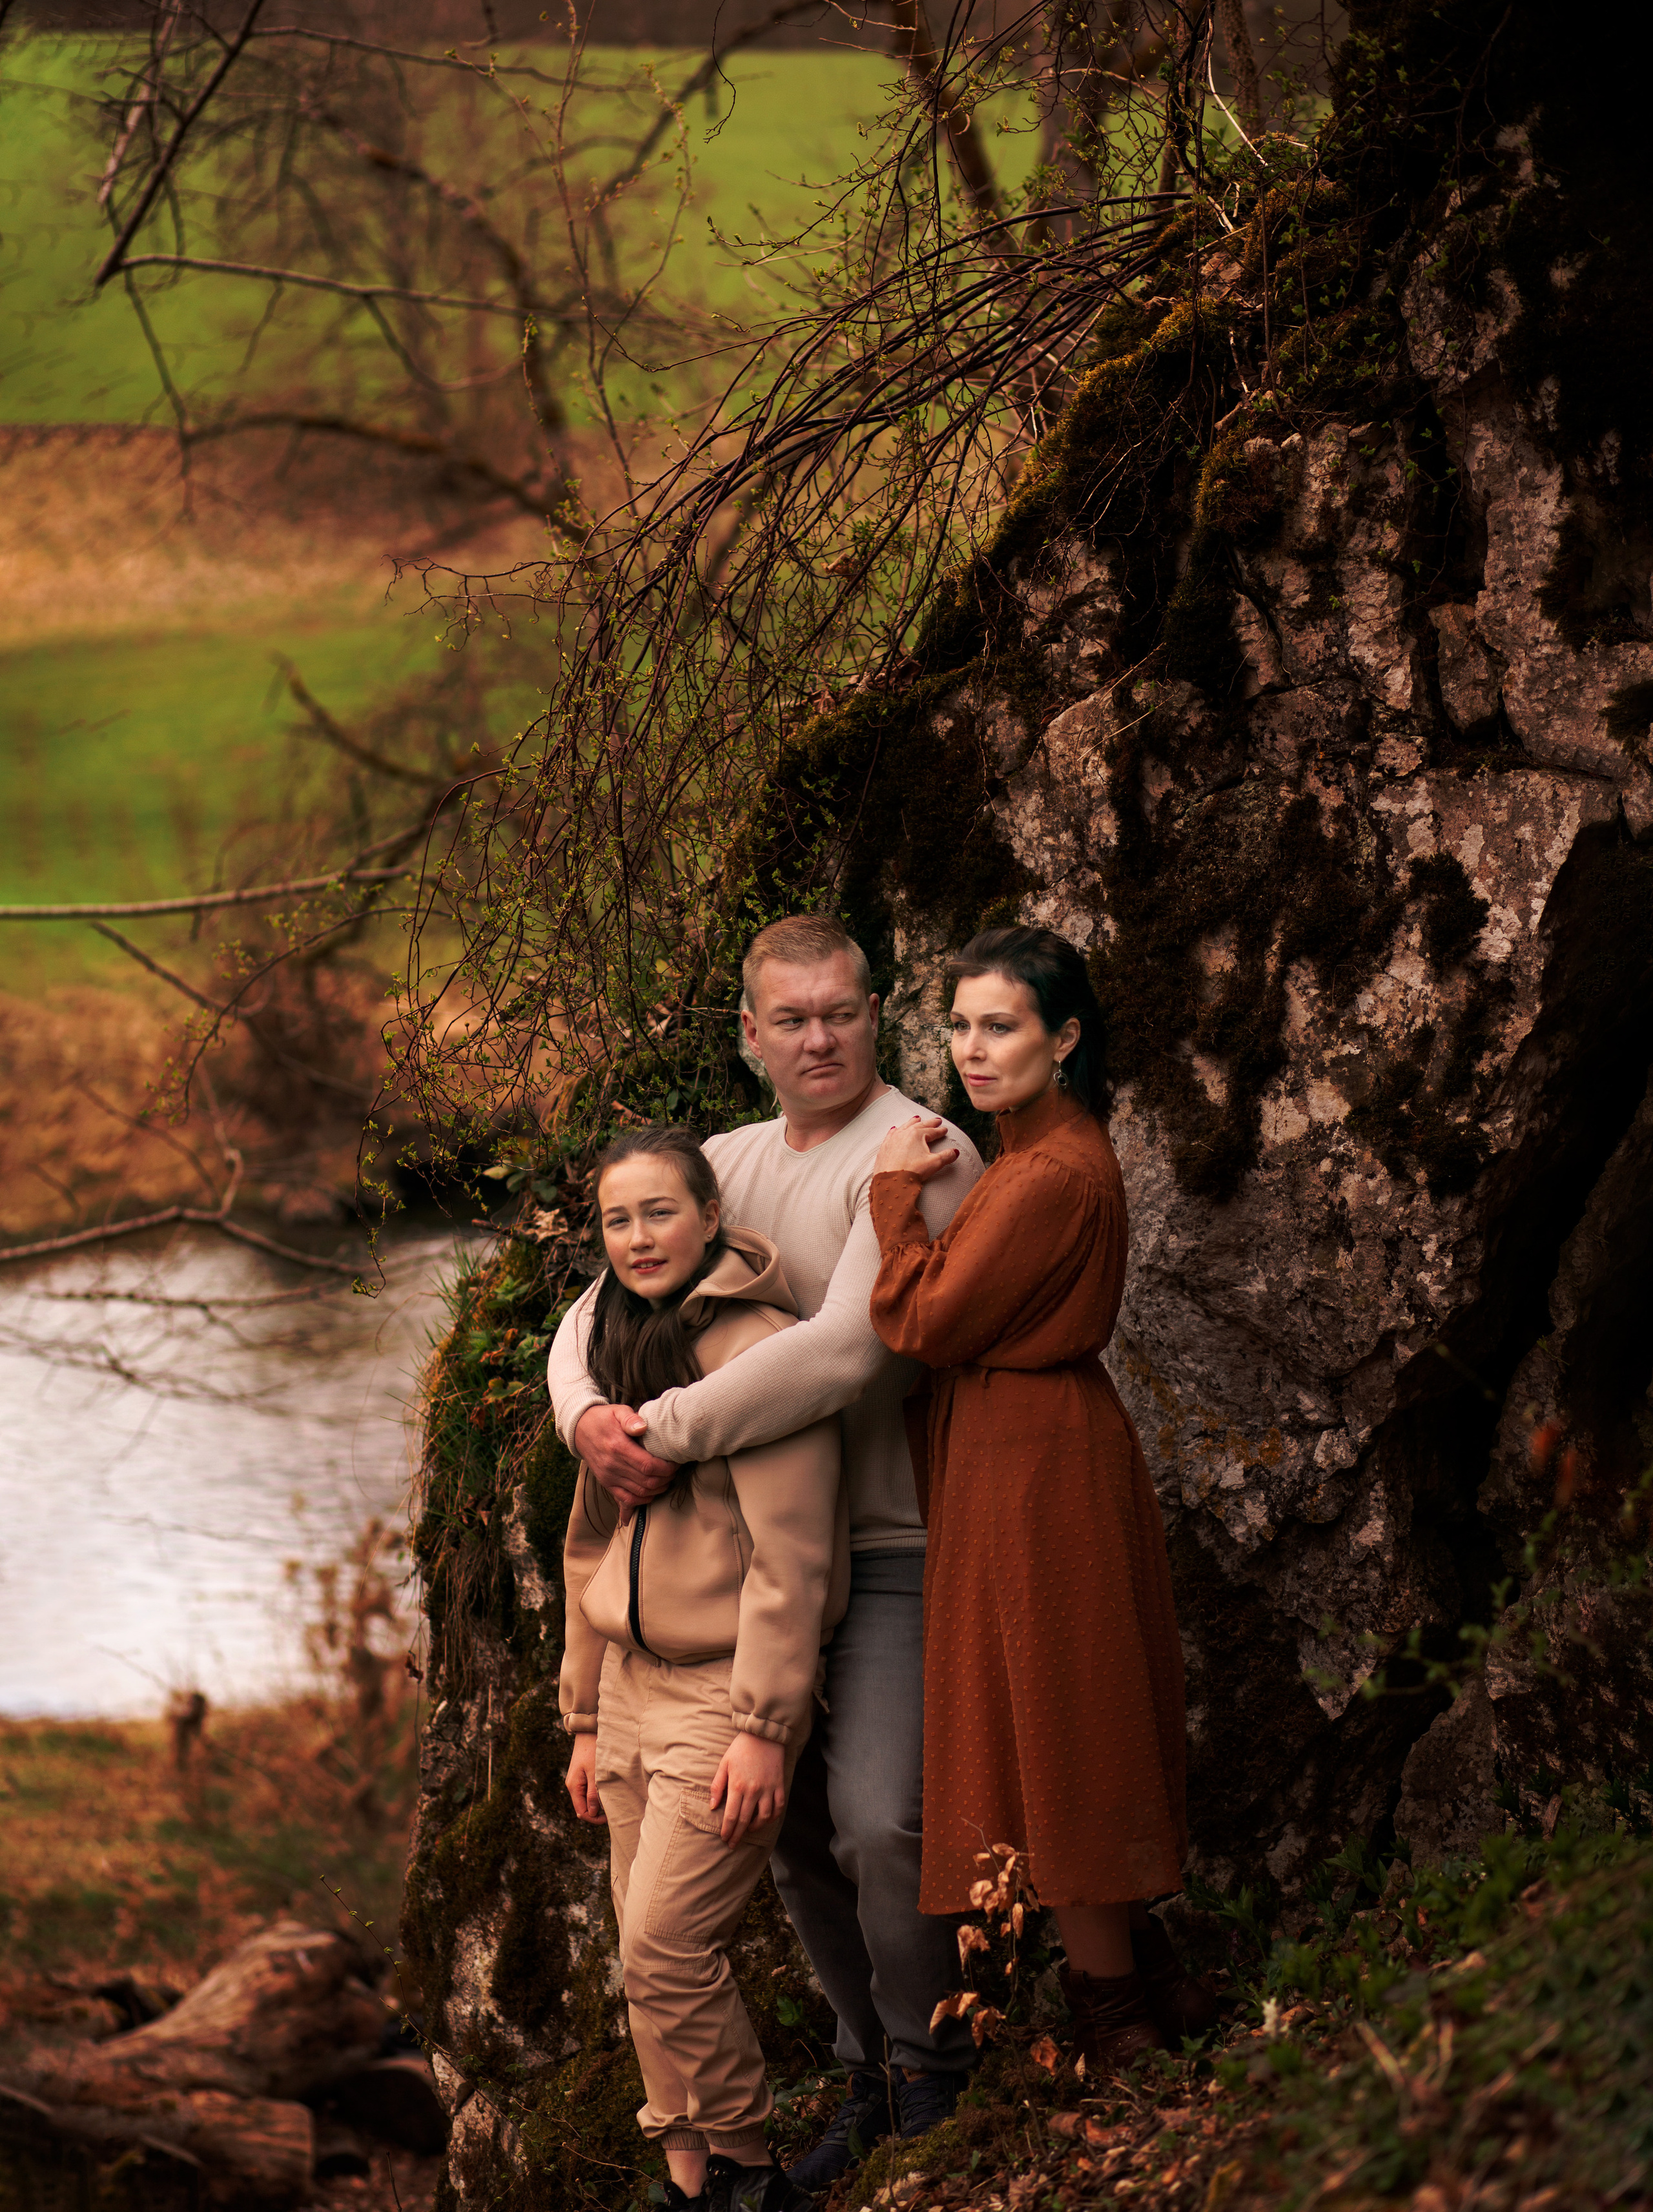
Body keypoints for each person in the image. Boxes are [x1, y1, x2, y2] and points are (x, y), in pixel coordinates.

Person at [549, 914, 983, 2190]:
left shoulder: (919, 1150)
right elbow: (589, 1306)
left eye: (839, 1012)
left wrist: (661, 1429)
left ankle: (930, 2071)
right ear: (748, 1037)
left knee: (873, 1819)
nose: (817, 1037)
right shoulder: (721, 1165)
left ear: (876, 1014)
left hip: (888, 1542)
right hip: (749, 1573)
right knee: (783, 1830)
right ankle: (862, 2065)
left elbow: (850, 1351)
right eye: (788, 1019)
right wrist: (582, 1414)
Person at [867, 925, 1206, 2071]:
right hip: (1026, 1445)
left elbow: (925, 1319)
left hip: (1035, 1462)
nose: (971, 1047)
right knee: (1053, 1709)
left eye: (1000, 1024)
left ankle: (1116, 2017)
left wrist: (891, 1205)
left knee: (1061, 1720)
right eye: (958, 1024)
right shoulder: (1034, 1150)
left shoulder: (1051, 1171)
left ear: (1063, 1038)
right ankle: (1140, 1978)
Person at [560, 1123, 846, 2212]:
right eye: (617, 1219)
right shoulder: (614, 1346)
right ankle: (688, 2177)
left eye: (660, 1211)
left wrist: (766, 1727)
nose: (639, 1237)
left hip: (721, 1693)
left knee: (669, 1945)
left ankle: (753, 2168)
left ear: (711, 1215)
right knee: (643, 1964)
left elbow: (793, 1553)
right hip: (626, 1690)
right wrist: (583, 1716)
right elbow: (590, 1544)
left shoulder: (759, 1352)